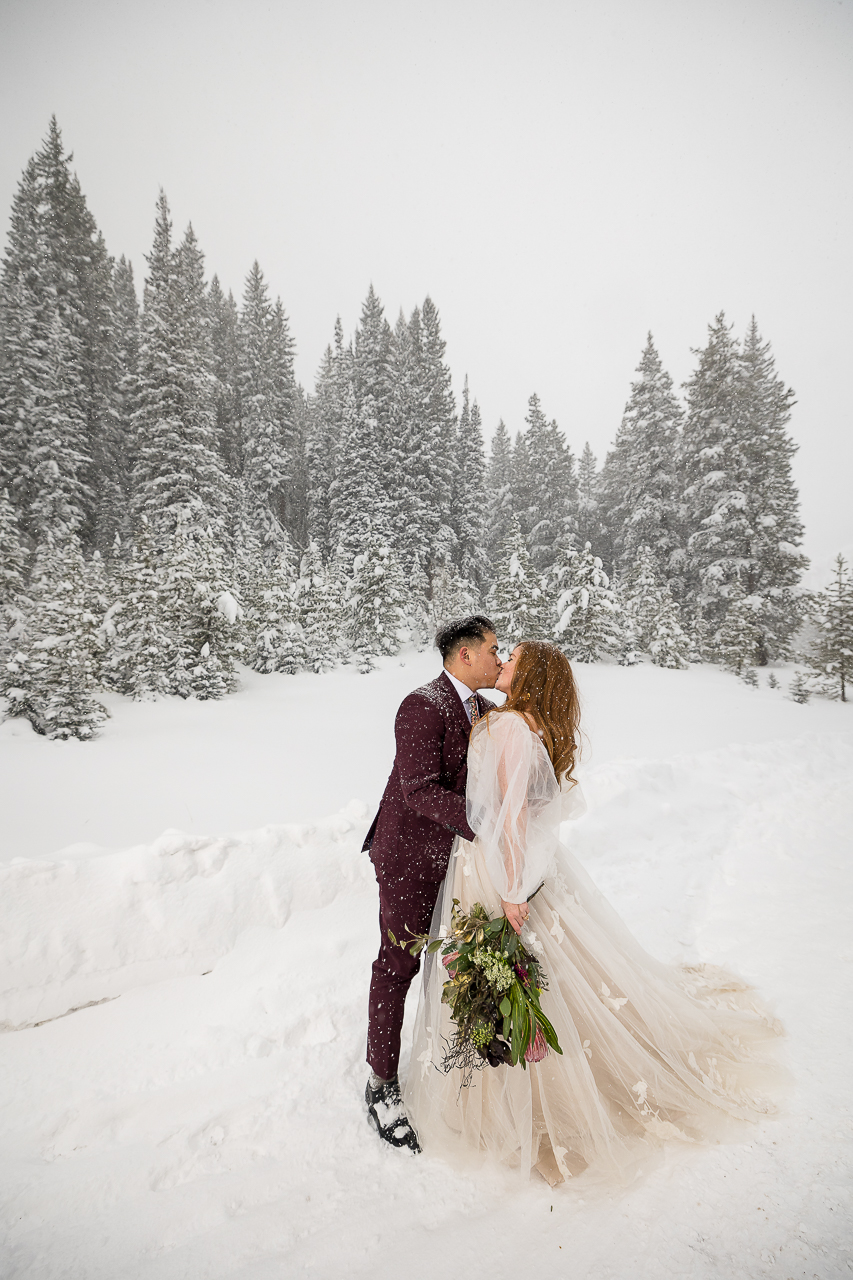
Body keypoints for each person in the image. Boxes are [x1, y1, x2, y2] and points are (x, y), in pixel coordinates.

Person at [405, 640, 786, 1184]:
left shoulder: (510, 727)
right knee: (537, 973)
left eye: (511, 658)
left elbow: (509, 818)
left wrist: (511, 888)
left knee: (508, 974)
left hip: (497, 865)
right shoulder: (533, 723)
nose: (503, 661)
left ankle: (520, 1095)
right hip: (517, 860)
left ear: (530, 673)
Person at [363, 615, 502, 1151]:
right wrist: (487, 825)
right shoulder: (421, 705)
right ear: (465, 654)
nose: (499, 656)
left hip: (458, 861)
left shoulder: (487, 711)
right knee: (397, 964)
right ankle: (380, 1082)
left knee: (457, 965)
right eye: (493, 648)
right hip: (408, 857)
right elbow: (419, 789)